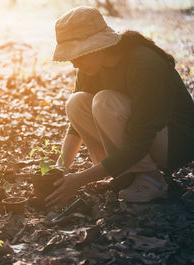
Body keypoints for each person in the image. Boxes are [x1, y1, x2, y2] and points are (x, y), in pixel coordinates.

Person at [45, 6, 194, 207]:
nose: (74, 63)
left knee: (104, 102)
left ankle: (151, 178)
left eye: (78, 55)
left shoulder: (144, 64)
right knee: (76, 103)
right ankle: (123, 172)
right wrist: (60, 170)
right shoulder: (90, 68)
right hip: (142, 140)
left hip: (175, 142)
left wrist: (79, 179)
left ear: (97, 46)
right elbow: (75, 126)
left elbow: (139, 141)